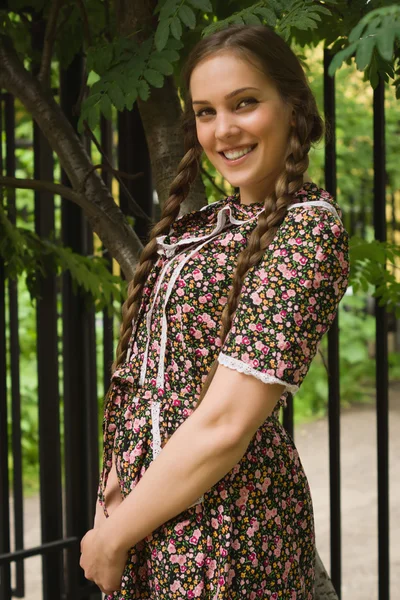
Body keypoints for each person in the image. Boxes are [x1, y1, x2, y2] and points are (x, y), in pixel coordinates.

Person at [80, 24, 350, 599]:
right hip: (150, 526)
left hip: (228, 544)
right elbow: (147, 378)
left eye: (244, 103)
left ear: (293, 106)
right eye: (205, 112)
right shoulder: (204, 226)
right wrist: (114, 498)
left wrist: (111, 539)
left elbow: (228, 423)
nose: (223, 129)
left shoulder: (306, 228)